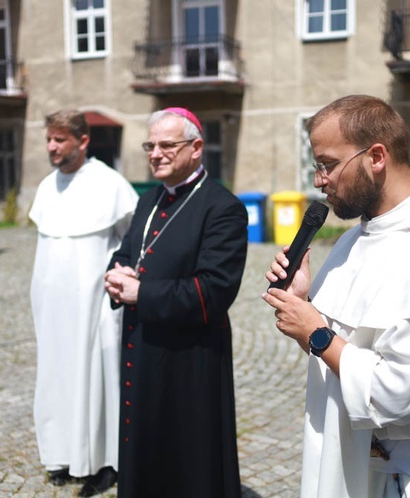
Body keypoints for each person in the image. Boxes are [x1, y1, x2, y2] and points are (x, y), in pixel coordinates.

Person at [262, 95, 410, 498]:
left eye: (327, 164)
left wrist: (316, 334)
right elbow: (344, 350)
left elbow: (395, 396)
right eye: (316, 166)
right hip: (354, 465)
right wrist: (303, 305)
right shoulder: (350, 240)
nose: (319, 180)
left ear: (376, 156)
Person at [104, 107, 248, 498]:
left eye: (167, 145)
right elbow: (128, 252)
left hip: (191, 361)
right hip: (143, 345)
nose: (155, 153)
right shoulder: (148, 200)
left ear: (196, 147)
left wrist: (141, 293)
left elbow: (214, 292)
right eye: (150, 145)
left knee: (188, 455)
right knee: (144, 443)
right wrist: (116, 274)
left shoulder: (222, 208)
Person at [29, 109, 138, 497]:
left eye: (60, 140)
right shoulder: (46, 187)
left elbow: (129, 244)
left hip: (94, 305)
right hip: (52, 306)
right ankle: (59, 454)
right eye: (49, 140)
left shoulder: (111, 185)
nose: (52, 147)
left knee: (96, 378)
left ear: (83, 141)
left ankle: (105, 462)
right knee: (56, 376)